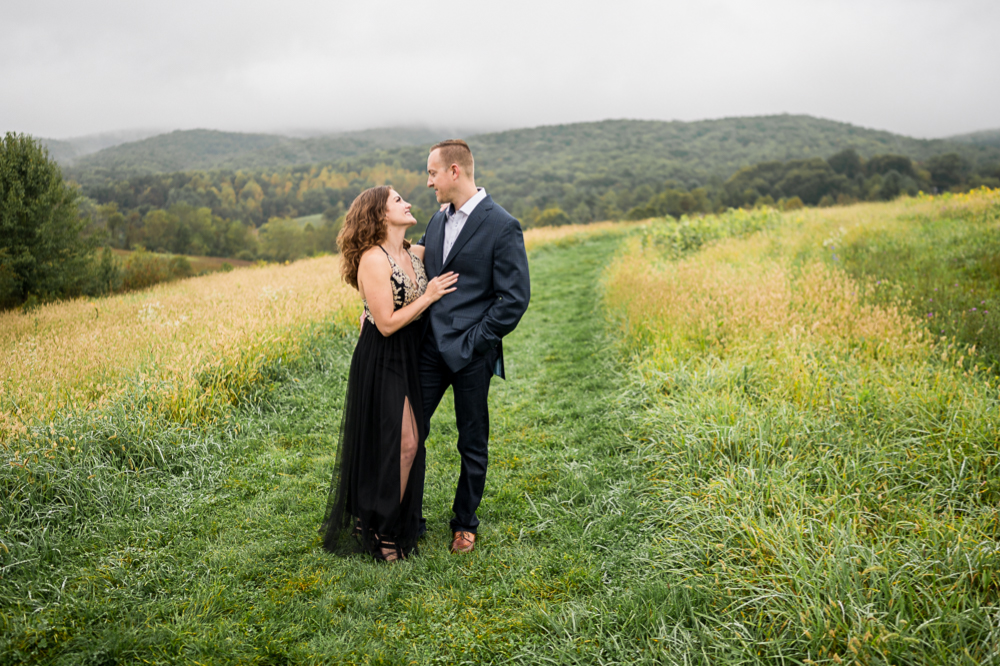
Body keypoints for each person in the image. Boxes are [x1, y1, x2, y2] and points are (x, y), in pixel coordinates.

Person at [321, 185, 458, 562]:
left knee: (405, 442)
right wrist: (427, 297)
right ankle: (382, 530)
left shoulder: (416, 253)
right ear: (380, 214)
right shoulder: (373, 259)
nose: (407, 202)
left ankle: (379, 520)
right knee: (405, 443)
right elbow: (384, 324)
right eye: (398, 200)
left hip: (414, 355)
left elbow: (455, 257)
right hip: (383, 356)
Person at [417, 140, 531, 554]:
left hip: (472, 354)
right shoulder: (434, 222)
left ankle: (465, 522)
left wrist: (476, 342)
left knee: (472, 439)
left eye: (432, 173)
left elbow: (514, 299)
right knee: (410, 431)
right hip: (430, 350)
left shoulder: (502, 224)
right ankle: (409, 516)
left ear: (454, 171)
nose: (428, 181)